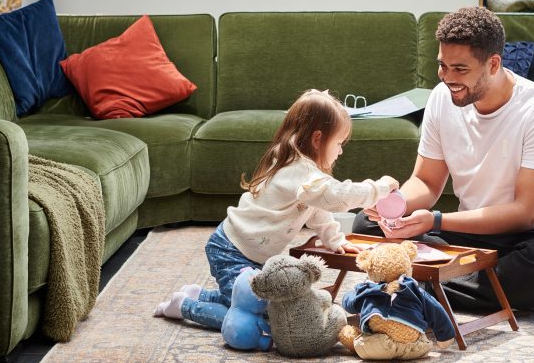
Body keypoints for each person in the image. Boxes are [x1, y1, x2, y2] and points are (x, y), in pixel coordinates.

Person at [353, 6, 534, 312]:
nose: (448, 78)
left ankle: (418, 279)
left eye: (460, 69)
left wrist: (437, 220)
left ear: (493, 64)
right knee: (367, 225)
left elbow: (525, 213)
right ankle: (454, 283)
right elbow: (425, 181)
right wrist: (390, 207)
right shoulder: (441, 98)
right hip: (473, 233)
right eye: (442, 66)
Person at [155, 89, 399, 329]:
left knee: (263, 305)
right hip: (230, 250)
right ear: (317, 139)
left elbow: (318, 210)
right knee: (259, 317)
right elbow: (336, 197)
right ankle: (184, 306)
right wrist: (378, 188)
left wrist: (334, 239)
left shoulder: (305, 173)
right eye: (339, 143)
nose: (341, 151)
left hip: (253, 256)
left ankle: (199, 294)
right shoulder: (298, 171)